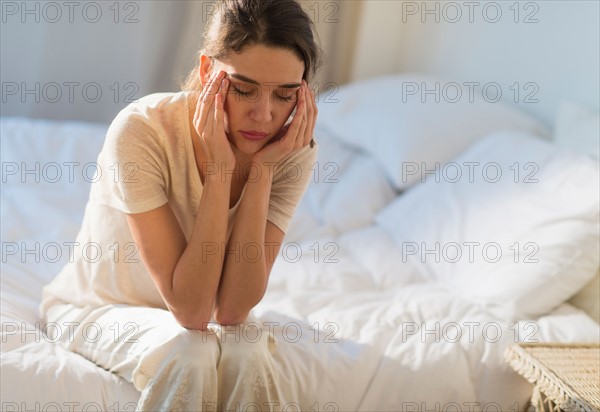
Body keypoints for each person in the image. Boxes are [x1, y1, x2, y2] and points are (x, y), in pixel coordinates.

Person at [39, 0, 323, 410]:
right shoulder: (141, 131)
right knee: (191, 350)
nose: (264, 115)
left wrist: (261, 174)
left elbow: (231, 310)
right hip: (97, 309)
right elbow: (193, 313)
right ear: (208, 72)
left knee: (246, 350)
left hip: (197, 317)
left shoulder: (291, 151)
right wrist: (221, 172)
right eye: (243, 89)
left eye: (284, 95)